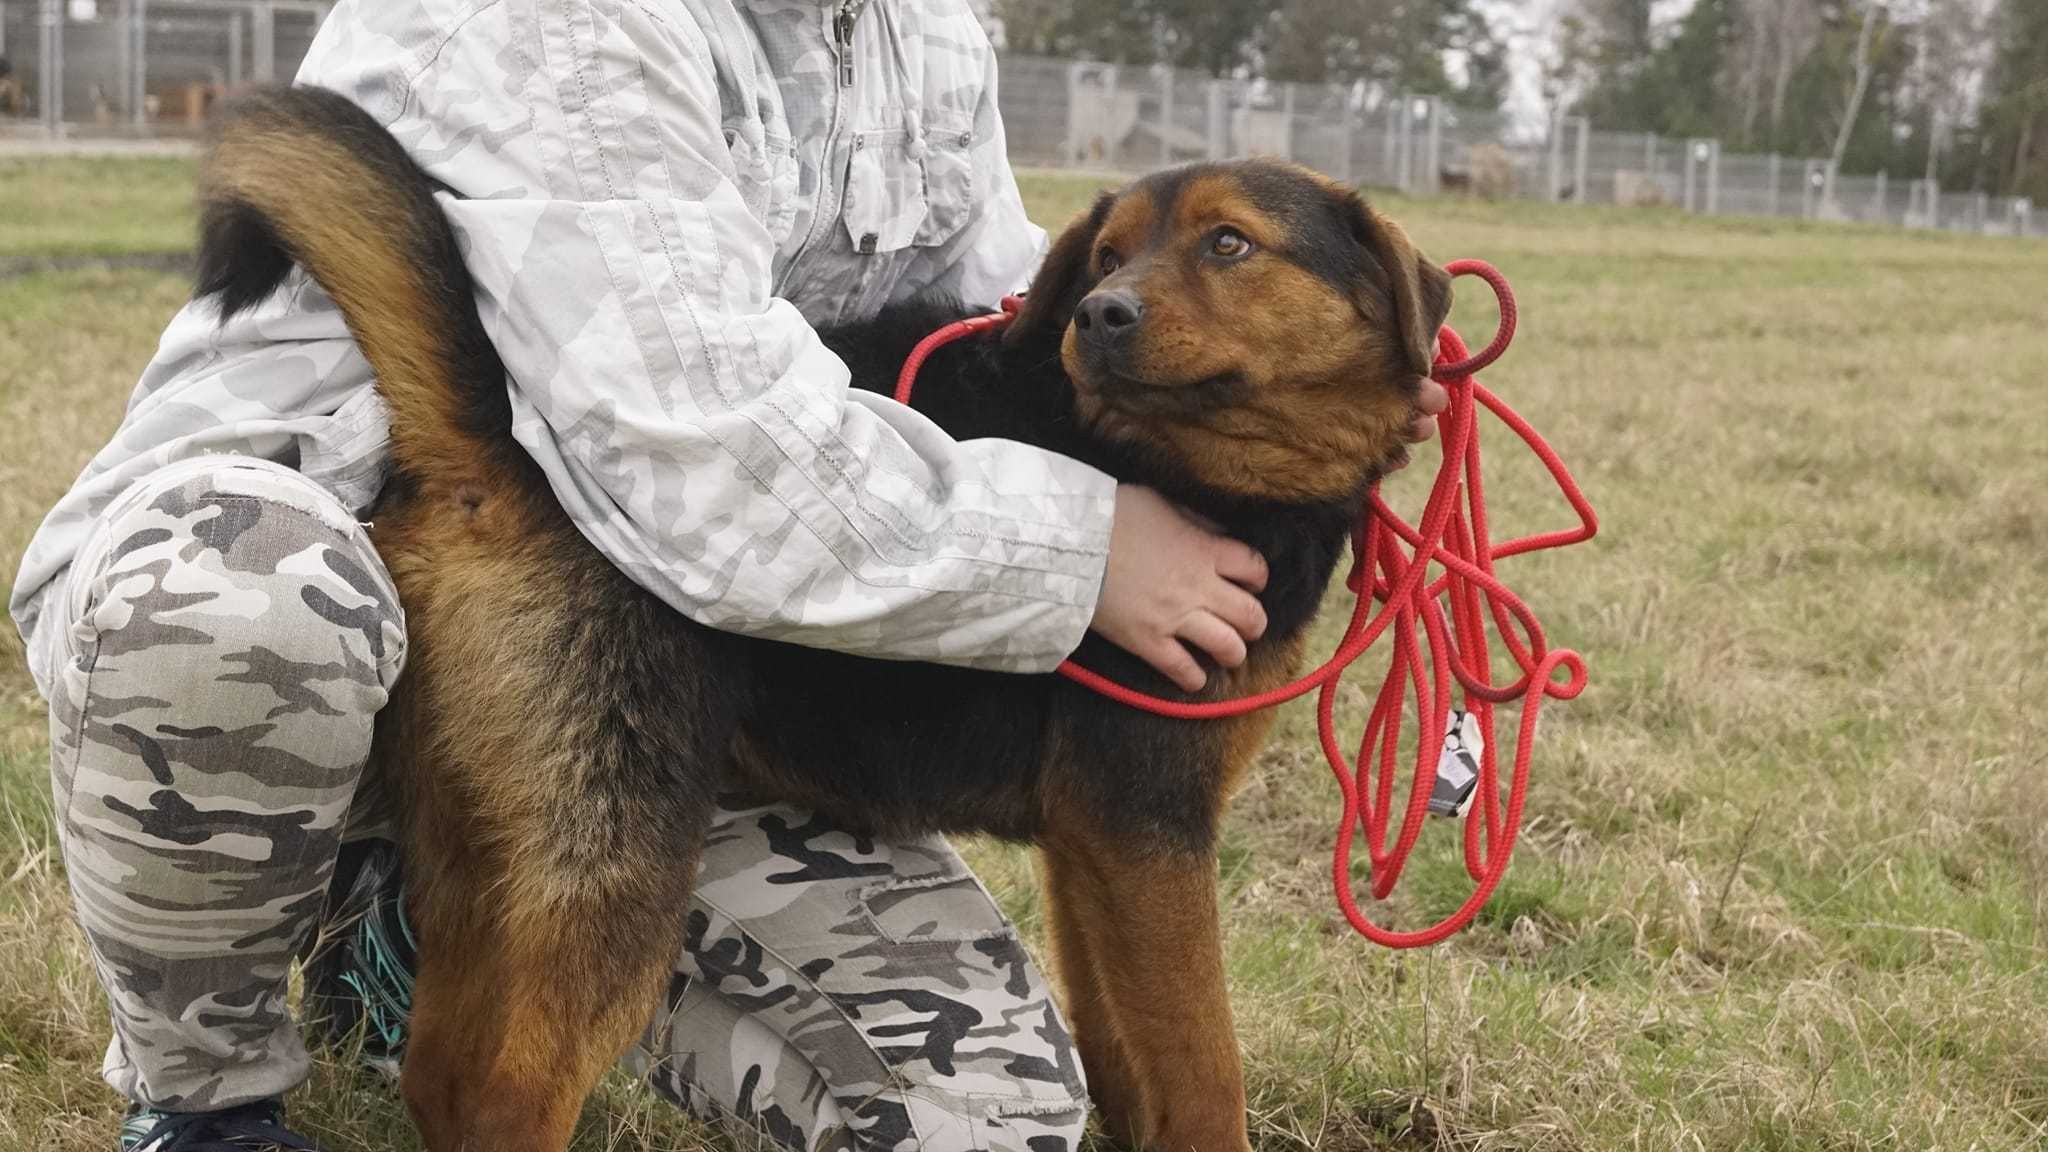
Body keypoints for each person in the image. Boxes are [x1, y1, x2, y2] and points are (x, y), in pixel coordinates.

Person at [10, 2, 1443, 1149]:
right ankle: (209, 1094)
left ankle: (401, 921)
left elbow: (1011, 315)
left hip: (719, 631)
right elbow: (682, 453)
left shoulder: (922, 30)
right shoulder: (567, 23)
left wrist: (1327, 402)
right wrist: (1082, 549)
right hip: (389, 534)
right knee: (235, 610)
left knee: (981, 1114)